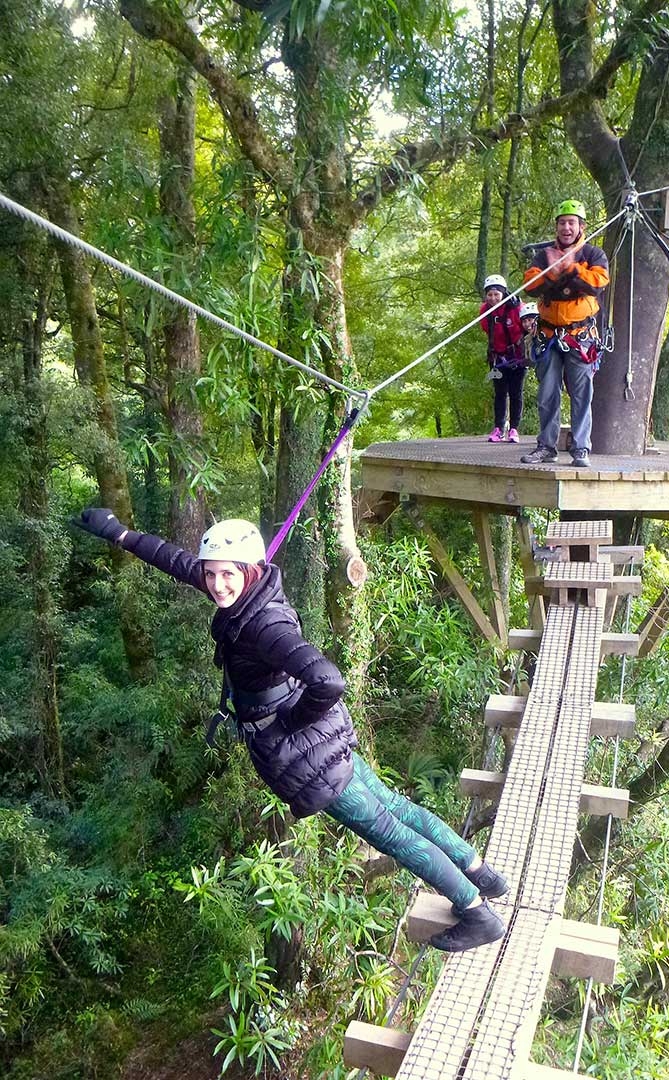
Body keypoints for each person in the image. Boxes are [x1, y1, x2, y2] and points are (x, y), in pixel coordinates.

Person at [76, 510, 508, 953]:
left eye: (228, 575)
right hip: (324, 737)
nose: (216, 585)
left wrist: (287, 725)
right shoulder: (247, 593)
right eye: (212, 575)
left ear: (249, 570)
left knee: (391, 833)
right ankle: (482, 875)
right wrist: (121, 533)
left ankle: (475, 911)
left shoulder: (266, 626)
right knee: (398, 809)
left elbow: (327, 680)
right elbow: (180, 562)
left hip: (307, 755)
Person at [519, 199, 609, 468]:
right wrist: (552, 271)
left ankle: (581, 447)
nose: (566, 227)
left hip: (579, 334)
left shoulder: (593, 254)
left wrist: (571, 268)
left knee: (582, 393)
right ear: (557, 227)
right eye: (562, 223)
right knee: (547, 393)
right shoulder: (544, 255)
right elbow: (530, 284)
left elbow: (598, 282)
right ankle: (547, 446)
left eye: (571, 222)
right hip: (548, 335)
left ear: (581, 226)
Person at [479, 273, 525, 443]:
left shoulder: (516, 307)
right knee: (499, 393)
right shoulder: (485, 311)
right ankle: (498, 427)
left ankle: (514, 428)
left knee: (516, 393)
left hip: (517, 358)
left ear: (503, 293)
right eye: (489, 294)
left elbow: (527, 323)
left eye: (496, 294)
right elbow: (487, 329)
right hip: (497, 359)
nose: (493, 298)